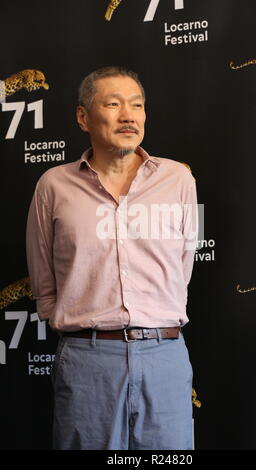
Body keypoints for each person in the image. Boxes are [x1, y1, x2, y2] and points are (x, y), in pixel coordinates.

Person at [26, 66, 198, 450]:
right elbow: (42, 273)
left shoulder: (178, 181)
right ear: (83, 117)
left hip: (165, 356)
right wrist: (72, 325)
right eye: (114, 104)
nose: (128, 115)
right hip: (87, 359)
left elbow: (183, 264)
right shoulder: (54, 185)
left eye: (137, 105)